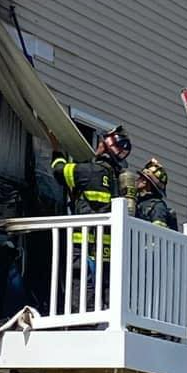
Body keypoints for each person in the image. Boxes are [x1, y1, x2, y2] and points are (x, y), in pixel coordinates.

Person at [50, 126, 132, 310]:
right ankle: (99, 319)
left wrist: (57, 151)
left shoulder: (90, 171)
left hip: (85, 241)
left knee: (80, 279)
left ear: (105, 147)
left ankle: (82, 322)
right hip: (107, 246)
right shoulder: (115, 177)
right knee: (104, 283)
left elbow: (59, 171)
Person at [135, 158, 177, 229]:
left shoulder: (157, 206)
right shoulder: (137, 201)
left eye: (141, 178)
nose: (137, 180)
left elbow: (159, 233)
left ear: (145, 182)